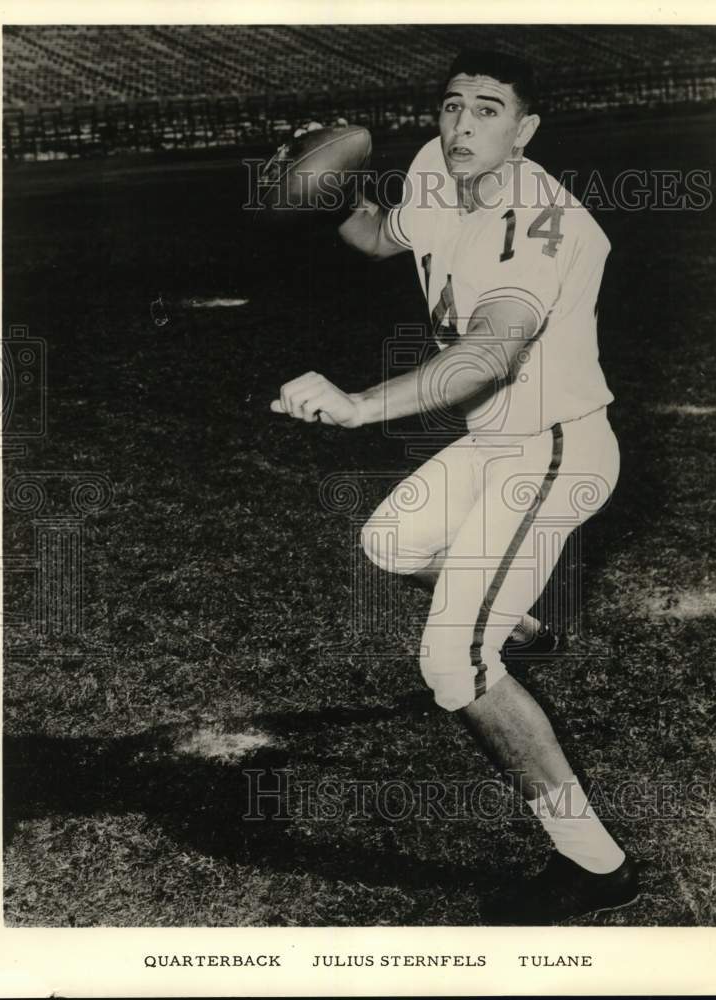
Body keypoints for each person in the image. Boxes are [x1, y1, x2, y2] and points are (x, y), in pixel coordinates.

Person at [271, 49, 638, 924]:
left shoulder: (538, 219)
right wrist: (321, 192)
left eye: (487, 110)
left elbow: (489, 354)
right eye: (451, 105)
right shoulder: (438, 170)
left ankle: (596, 866)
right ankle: (522, 621)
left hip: (555, 451)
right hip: (495, 444)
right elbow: (375, 237)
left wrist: (358, 407)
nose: (461, 125)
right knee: (391, 542)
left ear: (526, 129)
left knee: (453, 663)